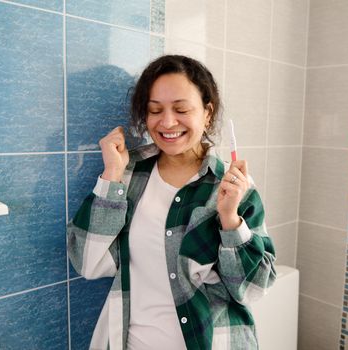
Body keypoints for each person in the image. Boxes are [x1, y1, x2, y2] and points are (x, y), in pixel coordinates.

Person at [67, 55, 276, 350]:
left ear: (207, 113)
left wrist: (230, 220)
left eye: (181, 109)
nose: (167, 122)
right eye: (155, 110)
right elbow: (87, 263)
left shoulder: (232, 187)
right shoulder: (126, 175)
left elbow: (253, 289)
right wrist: (111, 174)